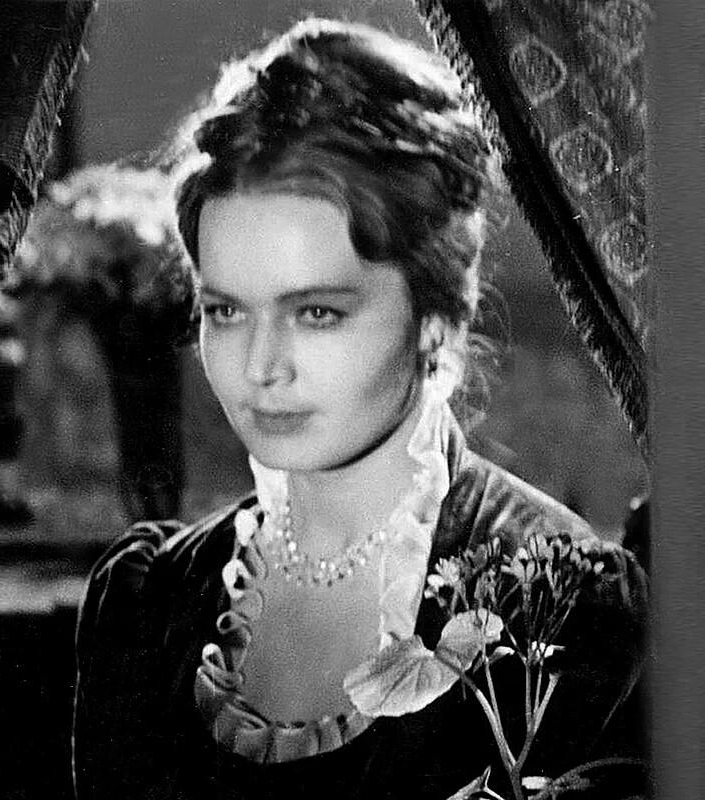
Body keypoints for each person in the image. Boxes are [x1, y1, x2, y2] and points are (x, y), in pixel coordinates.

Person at [72, 19, 647, 800]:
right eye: (226, 311)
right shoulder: (151, 603)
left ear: (436, 320)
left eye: (317, 313)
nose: (260, 368)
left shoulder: (565, 606)